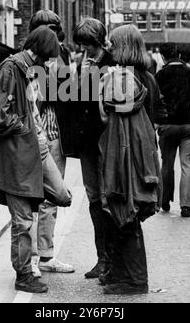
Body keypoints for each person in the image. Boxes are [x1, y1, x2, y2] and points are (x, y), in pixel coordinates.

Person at [0, 26, 72, 294]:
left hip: (37, 147)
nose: (49, 61)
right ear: (41, 50)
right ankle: (24, 274)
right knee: (22, 220)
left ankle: (29, 203)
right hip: (20, 153)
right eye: (48, 55)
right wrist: (19, 126)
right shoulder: (12, 68)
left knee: (63, 195)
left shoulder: (29, 69)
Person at [98, 25, 166, 295]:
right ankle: (125, 275)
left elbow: (106, 115)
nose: (109, 48)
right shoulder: (148, 76)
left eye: (112, 44)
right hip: (143, 149)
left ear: (123, 46)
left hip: (127, 152)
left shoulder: (122, 77)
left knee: (125, 212)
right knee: (129, 212)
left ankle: (135, 279)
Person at [28, 10, 75, 276]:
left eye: (53, 29)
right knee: (30, 198)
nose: (50, 35)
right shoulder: (24, 60)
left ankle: (45, 255)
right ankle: (32, 257)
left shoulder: (61, 57)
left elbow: (66, 93)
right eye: (45, 29)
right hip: (32, 135)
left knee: (52, 198)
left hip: (53, 133)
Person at [73, 17, 115, 279]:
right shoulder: (83, 63)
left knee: (107, 197)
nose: (85, 49)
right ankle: (102, 258)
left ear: (98, 40)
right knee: (93, 198)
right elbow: (78, 98)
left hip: (106, 138)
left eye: (88, 44)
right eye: (82, 44)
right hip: (87, 140)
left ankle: (112, 259)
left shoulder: (112, 62)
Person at [156, 43, 190, 218]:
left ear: (162, 57)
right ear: (178, 54)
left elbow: (155, 102)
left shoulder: (160, 75)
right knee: (188, 166)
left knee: (167, 164)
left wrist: (156, 122)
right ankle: (186, 206)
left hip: (168, 125)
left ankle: (164, 200)